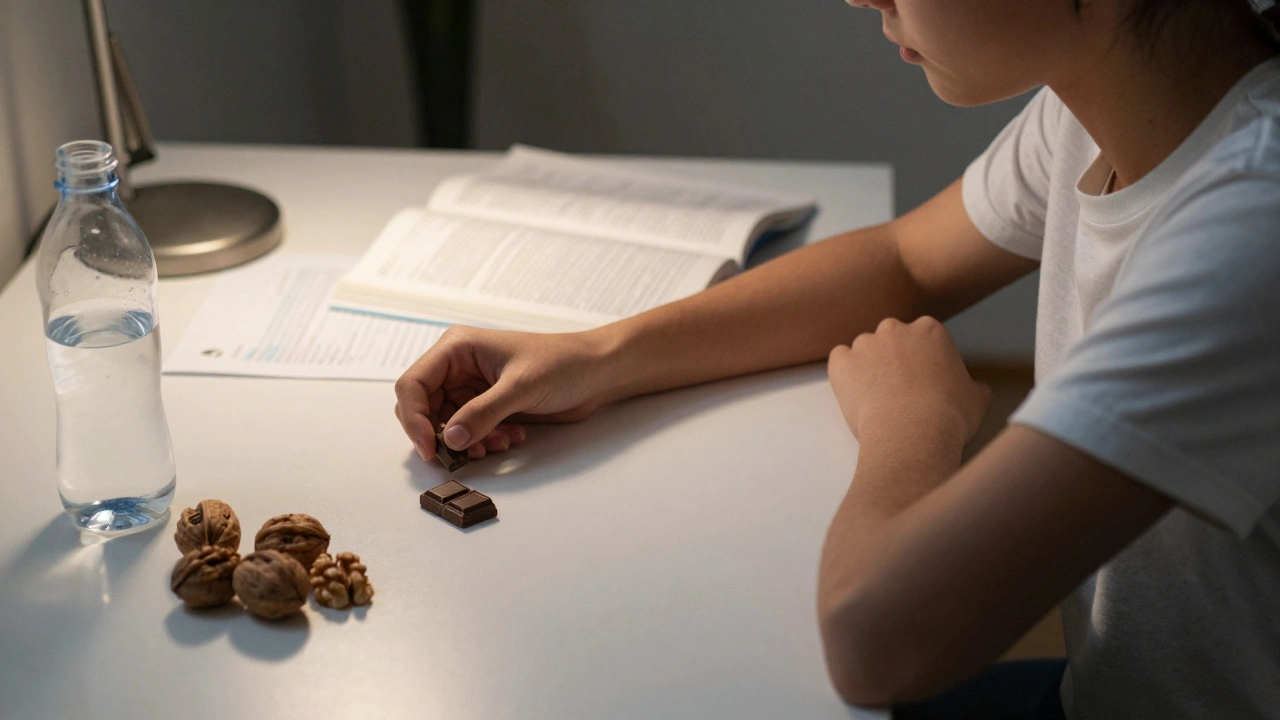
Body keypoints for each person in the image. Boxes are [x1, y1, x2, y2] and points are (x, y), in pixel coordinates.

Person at [394, 0, 1280, 717]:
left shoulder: (1250, 227)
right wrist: (598, 355)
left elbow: (878, 639)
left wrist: (913, 424)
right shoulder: (1110, 102)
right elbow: (904, 261)